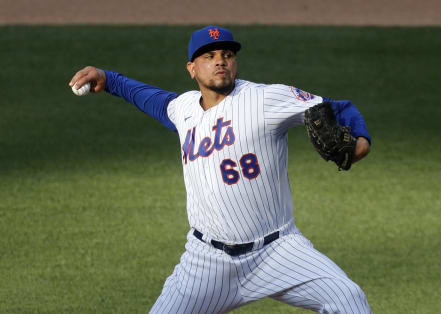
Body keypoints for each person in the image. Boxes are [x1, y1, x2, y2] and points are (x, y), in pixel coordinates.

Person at [69, 25, 372, 314]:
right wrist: (108, 79)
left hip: (277, 251)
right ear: (191, 68)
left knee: (348, 298)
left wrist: (360, 143)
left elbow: (338, 108)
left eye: (227, 55)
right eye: (209, 56)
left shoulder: (264, 99)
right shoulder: (182, 109)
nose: (220, 62)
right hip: (206, 262)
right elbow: (148, 98)